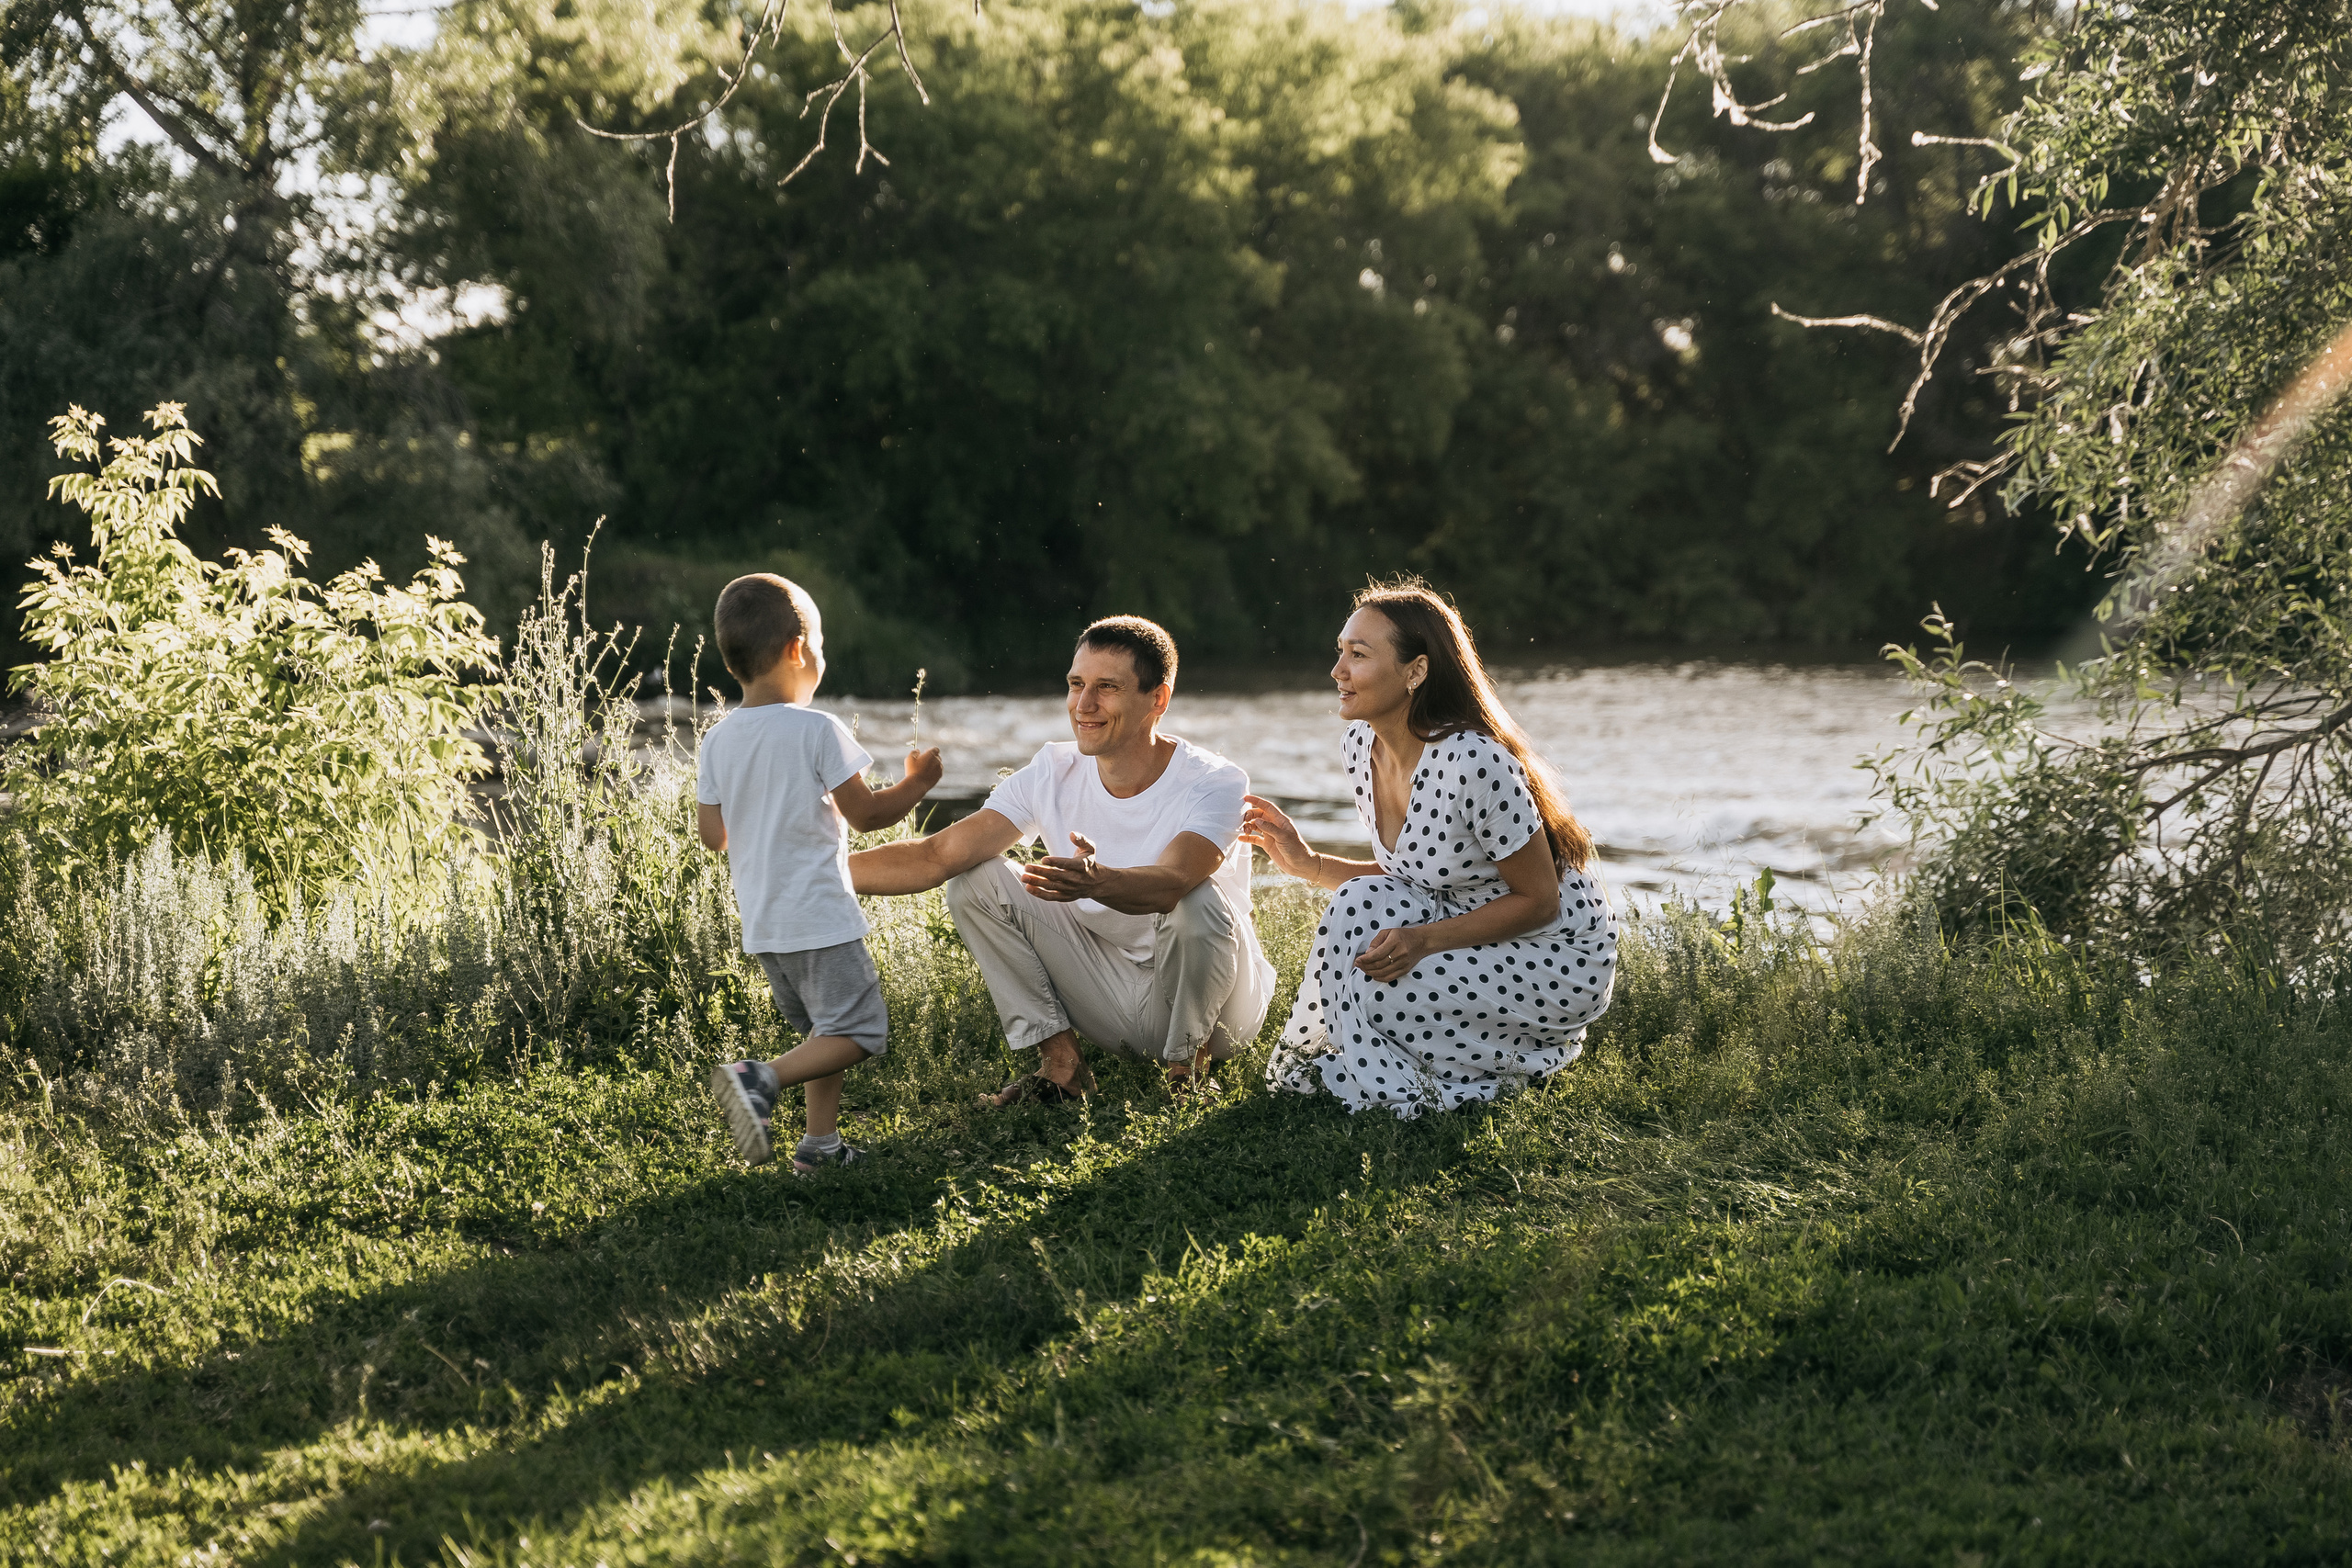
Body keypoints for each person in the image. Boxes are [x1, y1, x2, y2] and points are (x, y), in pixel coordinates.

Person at [849, 616, 1274, 1103]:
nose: (1083, 704)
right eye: (1076, 684)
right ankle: (1062, 1070)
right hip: (1117, 997)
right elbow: (937, 855)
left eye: (1107, 687)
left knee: (1197, 898)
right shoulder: (1053, 770)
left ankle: (1189, 1073)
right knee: (975, 881)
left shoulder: (1214, 780)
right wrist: (815, 874)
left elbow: (1172, 883)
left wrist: (1097, 881)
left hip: (1223, 1013)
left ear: (1158, 699)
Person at [1243, 582, 1616, 1118]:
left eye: (1358, 655)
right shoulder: (1360, 745)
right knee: (1357, 905)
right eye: (1340, 652)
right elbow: (1419, 877)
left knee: (1375, 995)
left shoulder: (1474, 762)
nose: (1337, 671)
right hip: (1458, 920)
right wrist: (1310, 864)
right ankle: (1355, 1071)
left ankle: (1482, 1073)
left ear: (1416, 671)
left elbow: (1540, 902)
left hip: (1551, 951)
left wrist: (1423, 941)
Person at [701, 573, 943, 1171]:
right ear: (796, 649)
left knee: (824, 1032)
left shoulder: (718, 739)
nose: (822, 658)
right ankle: (758, 1078)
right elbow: (868, 815)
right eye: (822, 645)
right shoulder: (818, 729)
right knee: (859, 1031)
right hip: (819, 917)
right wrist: (917, 783)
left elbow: (713, 836)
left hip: (765, 926)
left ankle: (821, 1147)